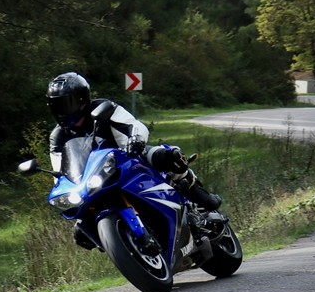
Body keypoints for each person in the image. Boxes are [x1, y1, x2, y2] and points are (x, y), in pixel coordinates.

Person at [45, 71, 222, 211]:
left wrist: (136, 140)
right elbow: (60, 173)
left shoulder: (103, 108)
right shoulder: (58, 136)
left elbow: (134, 125)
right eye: (58, 106)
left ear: (82, 98)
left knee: (169, 157)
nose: (64, 111)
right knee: (80, 230)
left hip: (130, 158)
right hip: (95, 182)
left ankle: (199, 196)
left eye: (68, 103)